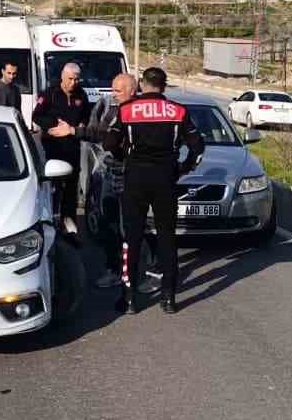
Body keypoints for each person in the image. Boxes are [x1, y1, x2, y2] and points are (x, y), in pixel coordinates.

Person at [104, 66, 205, 315]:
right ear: (164, 85)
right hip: (166, 179)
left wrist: (124, 156)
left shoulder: (127, 110)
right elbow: (198, 148)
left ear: (142, 84)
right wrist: (184, 168)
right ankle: (169, 298)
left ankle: (129, 299)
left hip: (135, 179)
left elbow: (109, 143)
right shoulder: (178, 111)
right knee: (167, 237)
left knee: (132, 238)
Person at [79, 72, 136, 290]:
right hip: (107, 173)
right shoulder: (108, 105)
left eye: (118, 91)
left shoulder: (137, 112)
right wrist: (77, 131)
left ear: (132, 90)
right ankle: (113, 268)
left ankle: (135, 271)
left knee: (130, 228)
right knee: (106, 224)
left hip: (130, 177)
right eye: (113, 90)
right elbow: (96, 131)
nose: (114, 95)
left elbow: (110, 139)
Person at [33, 61, 93, 236]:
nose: (73, 83)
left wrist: (80, 125)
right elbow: (37, 116)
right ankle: (51, 220)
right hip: (53, 146)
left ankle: (69, 224)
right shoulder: (50, 94)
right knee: (53, 187)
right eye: (70, 79)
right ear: (62, 77)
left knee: (71, 187)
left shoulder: (81, 94)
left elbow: (86, 116)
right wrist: (53, 126)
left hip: (73, 145)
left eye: (76, 79)